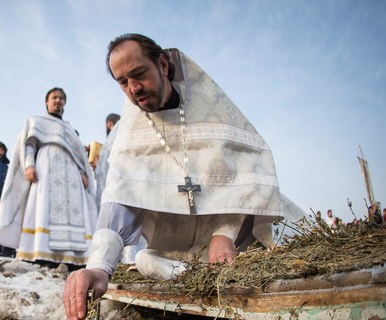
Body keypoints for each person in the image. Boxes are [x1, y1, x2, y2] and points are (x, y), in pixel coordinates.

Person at [63, 34, 304, 319]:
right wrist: (97, 268)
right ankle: (197, 275)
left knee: (279, 244)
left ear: (162, 65)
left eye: (139, 74)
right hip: (179, 250)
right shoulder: (131, 134)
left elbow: (241, 175)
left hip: (235, 238)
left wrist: (223, 234)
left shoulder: (208, 110)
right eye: (123, 82)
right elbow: (119, 200)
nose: (134, 88)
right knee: (143, 258)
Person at [0, 88, 98, 267]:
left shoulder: (70, 129)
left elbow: (78, 154)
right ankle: (41, 253)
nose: (58, 101)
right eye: (54, 98)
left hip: (72, 177)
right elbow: (29, 145)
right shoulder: (37, 121)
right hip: (46, 170)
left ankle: (74, 258)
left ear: (64, 103)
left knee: (73, 213)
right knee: (44, 208)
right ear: (47, 102)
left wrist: (82, 172)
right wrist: (29, 165)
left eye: (61, 98)